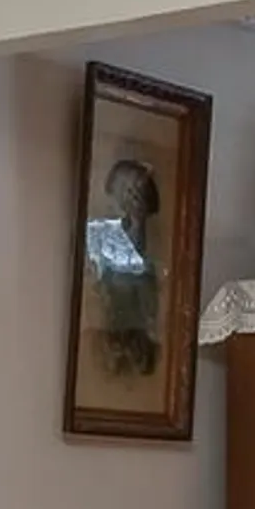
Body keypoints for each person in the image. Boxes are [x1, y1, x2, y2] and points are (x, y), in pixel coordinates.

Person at [84, 153, 165, 377]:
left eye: (138, 195)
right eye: (127, 192)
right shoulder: (100, 234)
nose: (132, 200)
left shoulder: (152, 247)